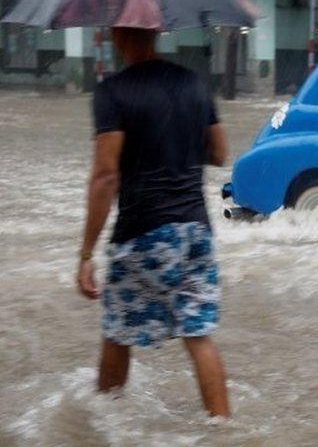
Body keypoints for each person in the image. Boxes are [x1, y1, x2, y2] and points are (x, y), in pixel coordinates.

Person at [76, 27, 231, 417]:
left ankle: (103, 426)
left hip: (142, 231)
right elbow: (219, 153)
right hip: (196, 232)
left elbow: (106, 175)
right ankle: (225, 430)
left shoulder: (112, 92)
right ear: (157, 32)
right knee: (198, 335)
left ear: (117, 35)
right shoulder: (194, 84)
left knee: (117, 332)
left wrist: (86, 252)